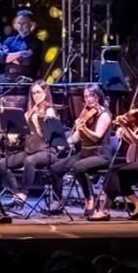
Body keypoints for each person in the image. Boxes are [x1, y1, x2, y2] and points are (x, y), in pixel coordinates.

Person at [88, 81, 138, 221]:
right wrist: (124, 132)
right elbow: (134, 141)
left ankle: (104, 210)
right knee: (118, 177)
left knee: (115, 172)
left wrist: (125, 126)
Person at [46, 84, 113, 213]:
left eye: (92, 96)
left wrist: (83, 128)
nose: (89, 99)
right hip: (85, 153)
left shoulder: (104, 115)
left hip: (100, 154)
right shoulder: (86, 113)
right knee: (56, 168)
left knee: (79, 167)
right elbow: (75, 138)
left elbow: (96, 137)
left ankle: (89, 198)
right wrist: (64, 143)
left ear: (98, 96)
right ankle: (57, 202)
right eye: (86, 96)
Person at [0, 80, 60, 205]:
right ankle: (15, 192)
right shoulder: (29, 112)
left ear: (45, 93)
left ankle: (23, 193)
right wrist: (12, 134)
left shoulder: (49, 110)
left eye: (38, 92)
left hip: (47, 151)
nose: (36, 96)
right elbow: (18, 129)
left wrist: (42, 123)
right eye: (33, 93)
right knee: (1, 163)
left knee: (29, 161)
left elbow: (53, 135)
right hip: (30, 151)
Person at [0, 9, 44, 82]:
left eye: (24, 24)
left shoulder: (36, 42)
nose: (20, 26)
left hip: (24, 78)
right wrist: (21, 54)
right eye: (19, 23)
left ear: (31, 24)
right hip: (7, 76)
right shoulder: (9, 40)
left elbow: (27, 60)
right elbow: (1, 58)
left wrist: (9, 58)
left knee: (21, 84)